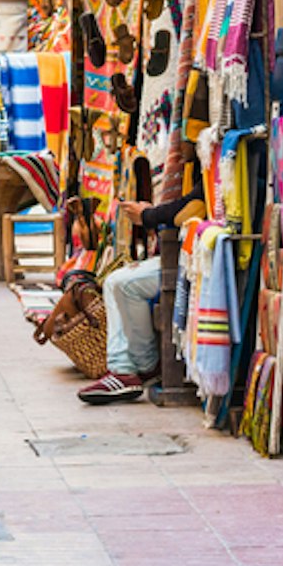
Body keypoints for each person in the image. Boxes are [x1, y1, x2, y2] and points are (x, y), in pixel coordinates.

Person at [76, 150, 203, 405]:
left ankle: (144, 367)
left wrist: (149, 216)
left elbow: (196, 203)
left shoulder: (214, 158)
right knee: (114, 281)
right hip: (182, 251)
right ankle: (122, 369)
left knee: (125, 285)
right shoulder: (205, 159)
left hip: (193, 256)